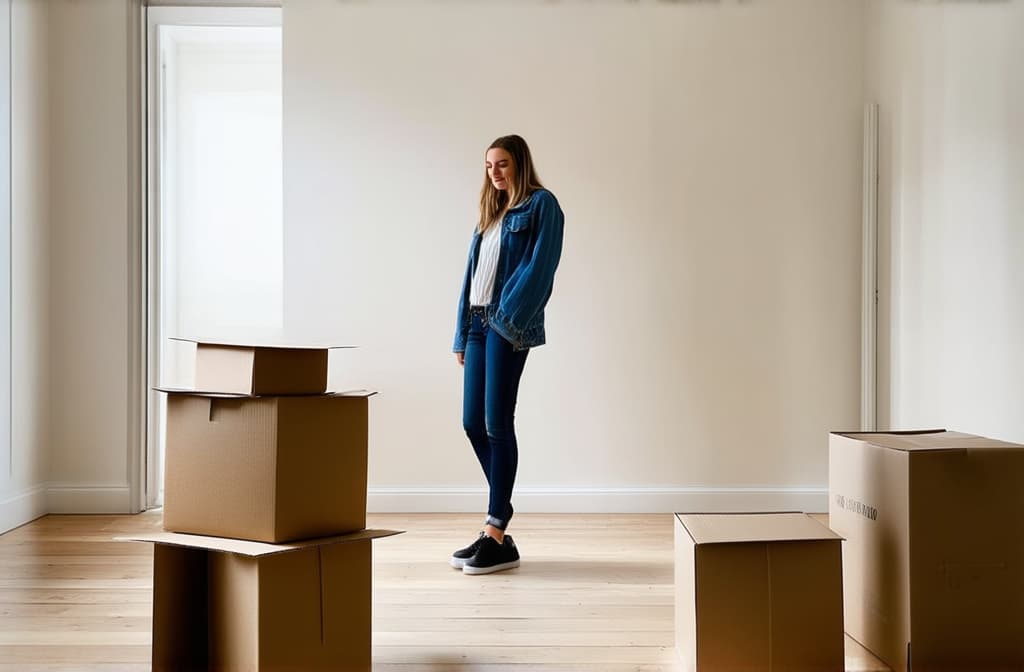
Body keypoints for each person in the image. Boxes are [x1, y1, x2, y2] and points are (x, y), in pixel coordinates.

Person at [449, 135, 564, 575]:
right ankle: (501, 522)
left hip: (505, 323)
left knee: (497, 422)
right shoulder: (491, 214)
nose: (494, 172)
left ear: (519, 164)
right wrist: (462, 333)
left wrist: (507, 319)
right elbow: (471, 277)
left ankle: (495, 529)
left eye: (501, 164)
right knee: (472, 422)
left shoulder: (542, 206)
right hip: (478, 324)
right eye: (488, 166)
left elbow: (541, 267)